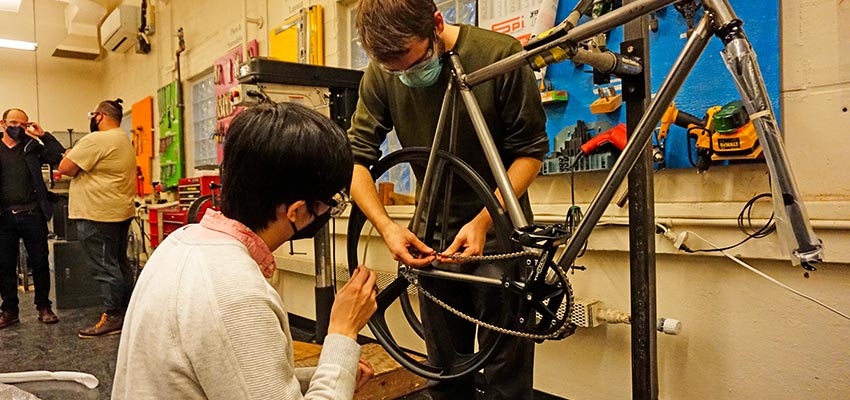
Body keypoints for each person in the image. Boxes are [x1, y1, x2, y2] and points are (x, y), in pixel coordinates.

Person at [348, 1, 550, 399]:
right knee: (445, 378)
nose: (406, 76)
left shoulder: (499, 56)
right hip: (432, 245)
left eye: (413, 62)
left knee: (505, 383)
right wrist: (386, 227)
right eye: (395, 71)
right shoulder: (381, 73)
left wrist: (482, 222)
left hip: (500, 241)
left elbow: (531, 154)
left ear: (437, 24)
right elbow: (355, 161)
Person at [111, 102, 378, 399]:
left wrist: (329, 370)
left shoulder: (179, 244)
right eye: (331, 204)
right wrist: (342, 332)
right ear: (297, 211)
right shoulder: (237, 294)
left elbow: (237, 380)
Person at [58, 99, 136, 338]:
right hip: (117, 212)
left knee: (104, 267)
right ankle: (129, 313)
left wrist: (71, 155)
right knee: (119, 264)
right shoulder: (123, 138)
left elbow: (65, 167)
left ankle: (113, 316)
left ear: (99, 116)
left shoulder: (96, 139)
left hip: (96, 214)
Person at [0, 108, 64, 329]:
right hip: (4, 216)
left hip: (32, 214)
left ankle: (44, 307)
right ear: (3, 123)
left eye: (23, 124)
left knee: (39, 263)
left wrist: (42, 135)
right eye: (13, 122)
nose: (18, 127)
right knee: (5, 266)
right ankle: (9, 311)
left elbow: (58, 156)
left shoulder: (32, 146)